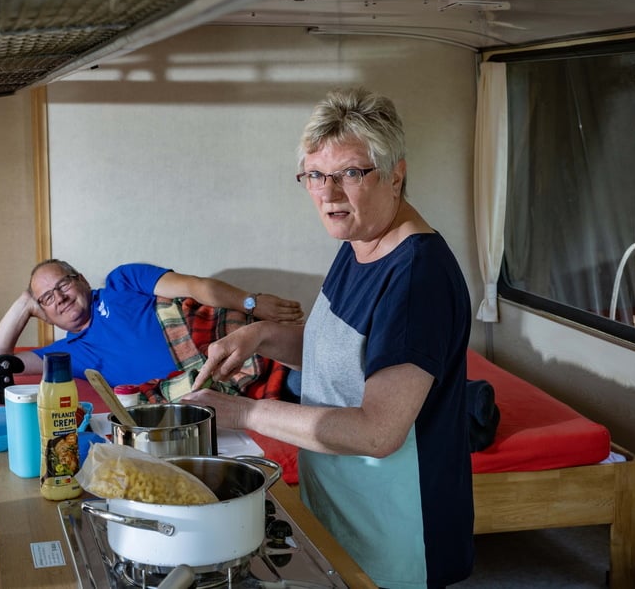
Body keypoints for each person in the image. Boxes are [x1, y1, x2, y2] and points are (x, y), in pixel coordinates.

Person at [184, 87, 474, 588]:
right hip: (344, 505)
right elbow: (343, 355)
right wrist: (260, 336)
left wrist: (242, 412)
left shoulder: (415, 279)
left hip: (398, 528)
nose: (329, 193)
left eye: (350, 174)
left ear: (396, 175)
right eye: (316, 175)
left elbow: (378, 432)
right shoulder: (359, 241)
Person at [0, 260, 304, 385]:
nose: (59, 298)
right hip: (232, 382)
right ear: (44, 313)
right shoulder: (68, 354)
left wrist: (253, 302)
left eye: (62, 285)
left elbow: (197, 288)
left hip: (257, 344)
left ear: (81, 280)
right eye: (47, 298)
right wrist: (23, 304)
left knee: (333, 366)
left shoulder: (123, 281)